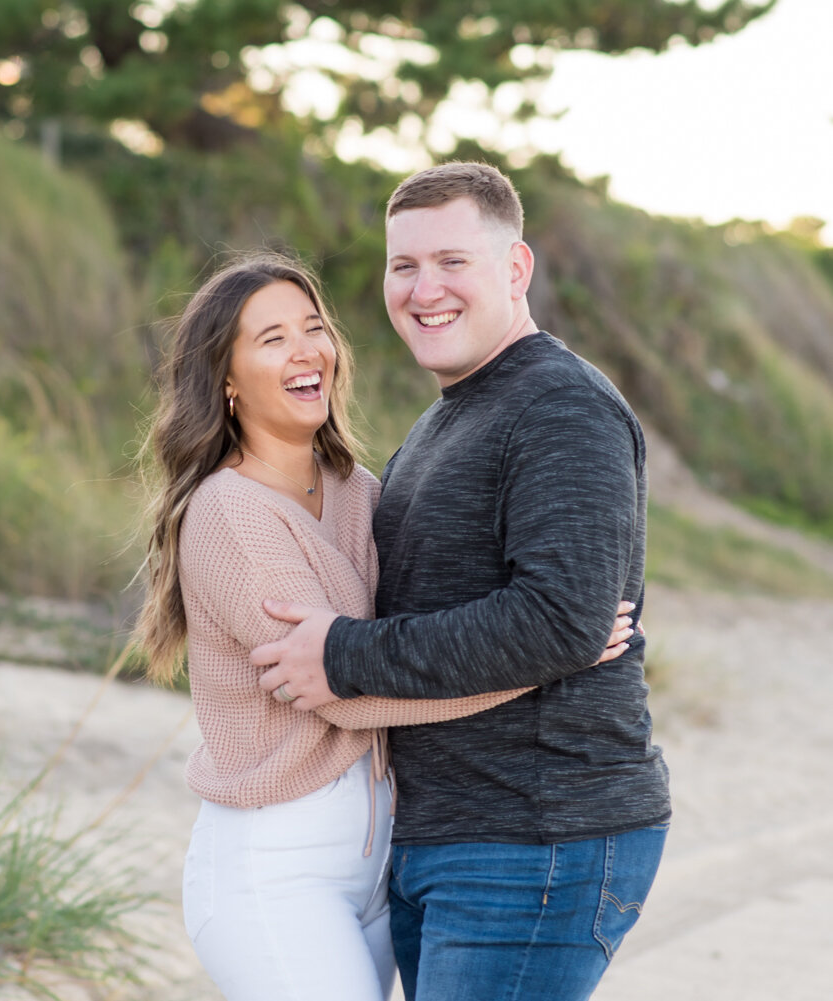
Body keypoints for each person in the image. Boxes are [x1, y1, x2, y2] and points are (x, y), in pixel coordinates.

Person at [132, 251, 635, 1001]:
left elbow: (410, 640)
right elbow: (340, 688)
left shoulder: (360, 488)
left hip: (378, 864)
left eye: (314, 327)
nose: (306, 350)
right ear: (226, 379)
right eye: (271, 338)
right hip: (275, 867)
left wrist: (543, 622)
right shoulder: (230, 514)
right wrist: (548, 656)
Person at [251, 162, 670, 1001]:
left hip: (537, 830)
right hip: (448, 832)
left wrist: (343, 655)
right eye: (402, 266)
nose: (422, 288)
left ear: (515, 270)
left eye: (452, 261)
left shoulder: (561, 407)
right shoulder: (452, 413)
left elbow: (559, 622)